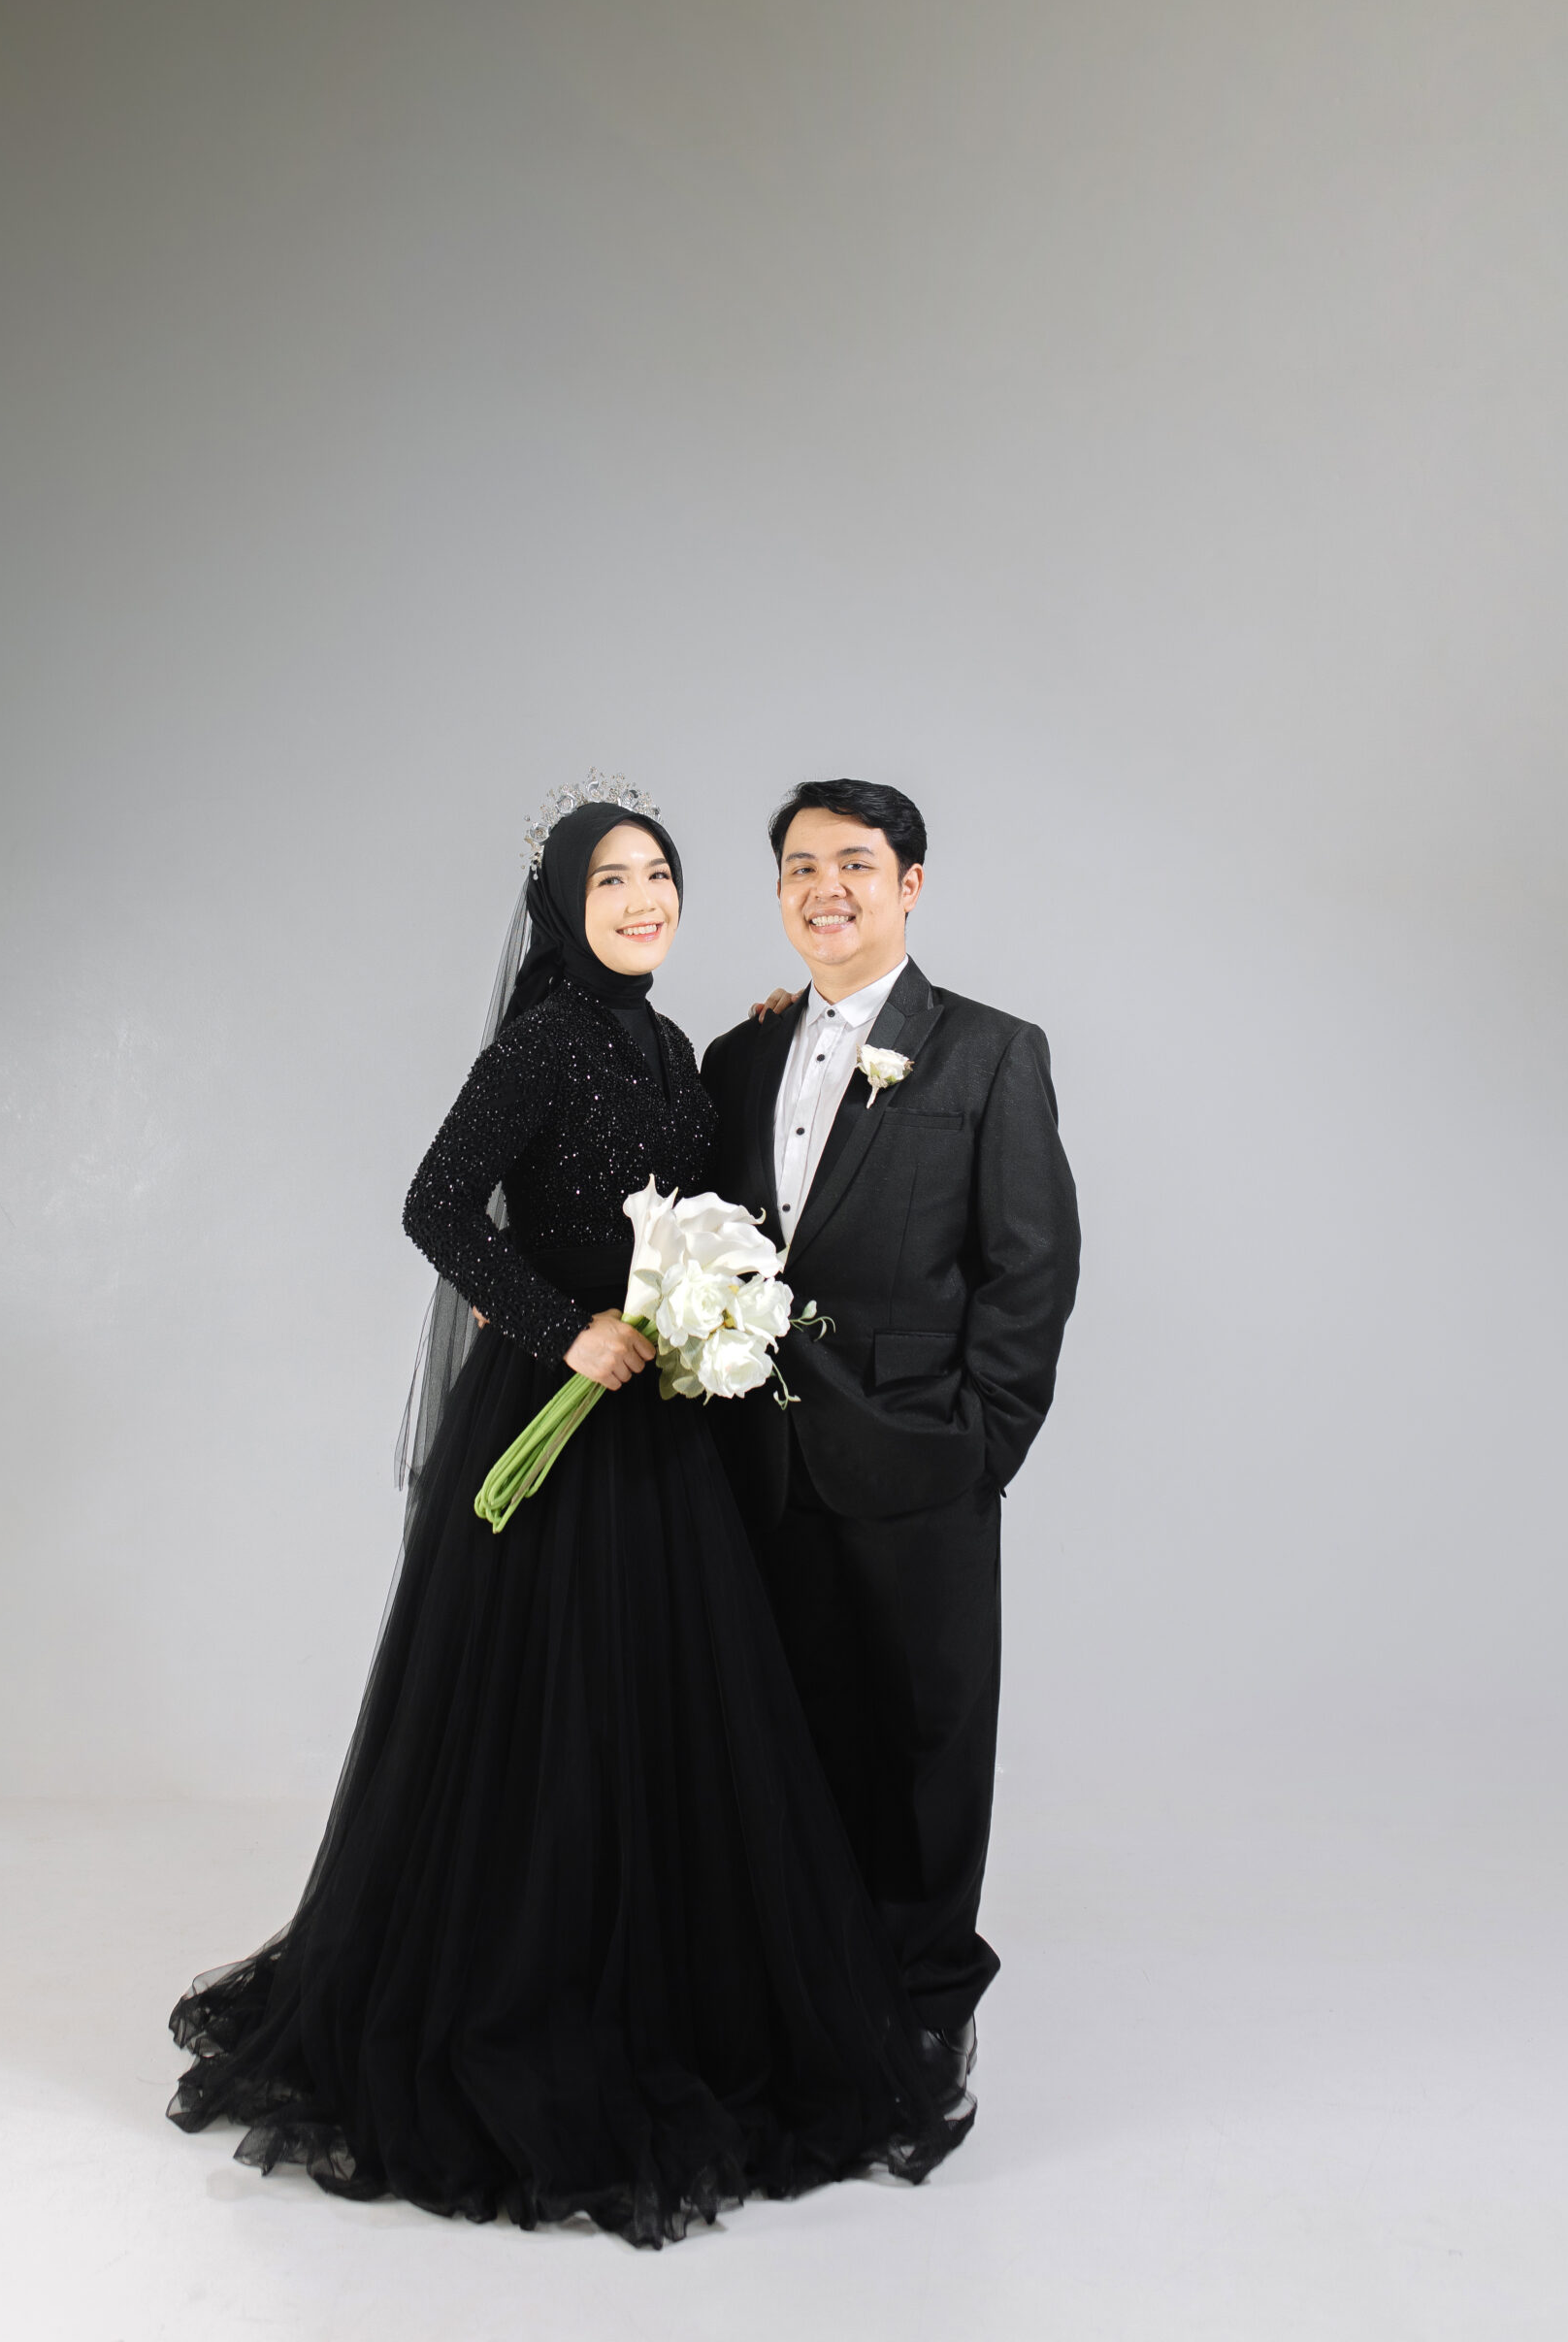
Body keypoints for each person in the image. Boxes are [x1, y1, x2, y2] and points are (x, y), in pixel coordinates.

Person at [167, 782, 964, 2249]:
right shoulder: (542, 1040)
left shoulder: (668, 1043)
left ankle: (661, 1999)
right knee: (550, 1722)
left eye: (659, 876)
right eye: (611, 881)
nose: (643, 900)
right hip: (565, 1408)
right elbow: (436, 1203)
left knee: (666, 1714)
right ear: (560, 907)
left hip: (658, 1425)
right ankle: (528, 2005)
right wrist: (561, 1328)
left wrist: (761, 1050)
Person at [700, 778, 1081, 2119]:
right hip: (755, 1468)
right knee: (781, 1747)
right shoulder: (737, 1057)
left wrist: (978, 1446)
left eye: (854, 864)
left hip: (920, 1464)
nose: (827, 890)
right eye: (800, 867)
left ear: (908, 885)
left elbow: (1030, 1267)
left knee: (925, 1753)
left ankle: (923, 2023)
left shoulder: (989, 1051)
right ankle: (800, 2012)